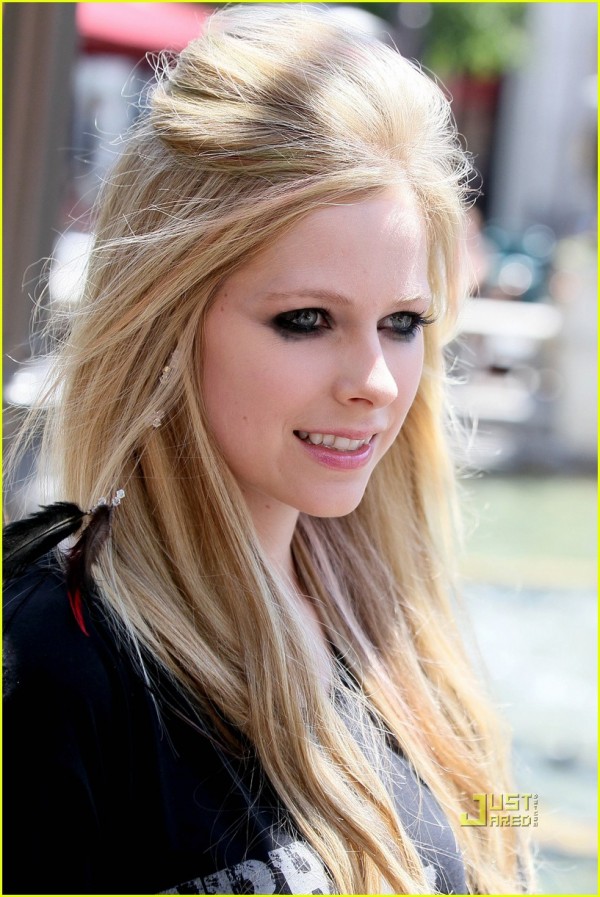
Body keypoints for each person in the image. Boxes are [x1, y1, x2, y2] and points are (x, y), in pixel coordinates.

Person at [3, 6, 534, 894]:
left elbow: (486, 818)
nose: (375, 380)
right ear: (168, 321)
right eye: (307, 319)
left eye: (402, 322)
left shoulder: (393, 619)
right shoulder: (56, 660)